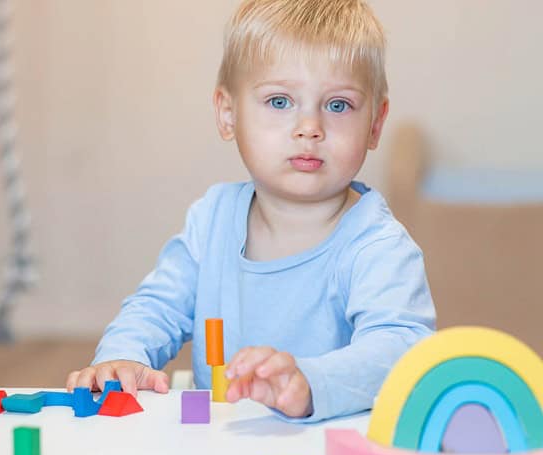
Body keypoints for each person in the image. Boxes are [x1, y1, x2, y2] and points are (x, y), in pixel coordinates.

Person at [66, 0, 435, 422]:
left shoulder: (378, 246)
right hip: (218, 447)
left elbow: (400, 350)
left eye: (338, 105)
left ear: (374, 124)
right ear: (228, 113)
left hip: (328, 449)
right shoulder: (213, 219)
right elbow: (157, 307)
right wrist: (122, 356)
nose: (309, 127)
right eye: (280, 102)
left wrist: (311, 381)